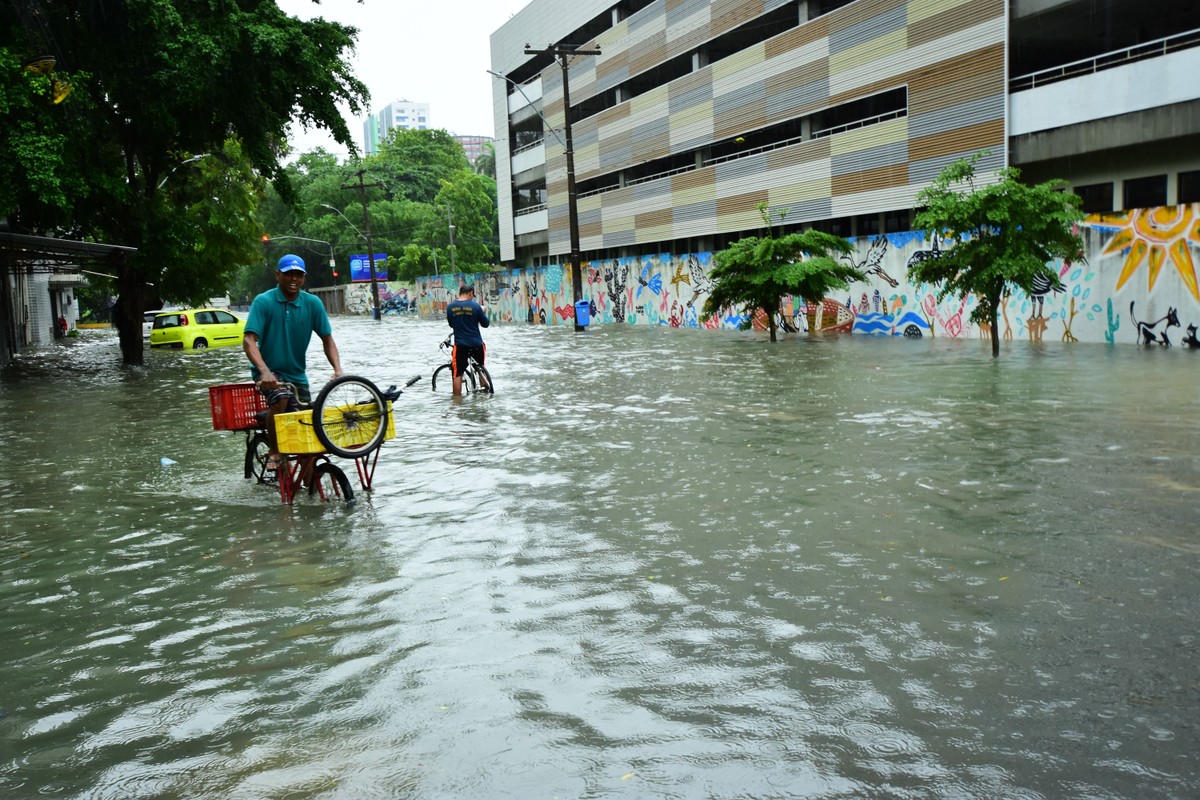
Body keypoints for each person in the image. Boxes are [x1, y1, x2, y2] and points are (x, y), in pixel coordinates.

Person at [243, 254, 343, 469]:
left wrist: (337, 369)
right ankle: (275, 450)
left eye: (298, 275)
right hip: (269, 372)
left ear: (304, 278)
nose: (294, 279)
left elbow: (327, 339)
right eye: (289, 274)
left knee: (309, 427)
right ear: (278, 275)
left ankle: (310, 485)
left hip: (298, 375)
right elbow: (249, 340)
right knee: (280, 399)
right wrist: (264, 372)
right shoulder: (264, 301)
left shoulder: (313, 303)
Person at [445, 283, 490, 396]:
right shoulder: (475, 306)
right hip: (477, 344)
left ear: (459, 294)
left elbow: (451, 324)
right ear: (470, 294)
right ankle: (486, 390)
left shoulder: (450, 307)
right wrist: (482, 313)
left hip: (460, 346)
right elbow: (485, 324)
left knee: (457, 374)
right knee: (480, 367)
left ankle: (457, 404)